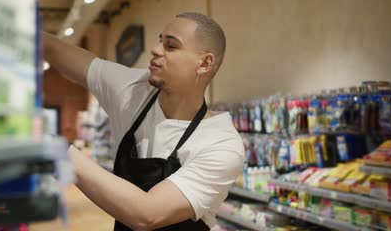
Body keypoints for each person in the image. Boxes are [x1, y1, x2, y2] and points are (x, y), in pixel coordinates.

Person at [43, 12, 244, 231]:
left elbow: (147, 214)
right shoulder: (134, 90)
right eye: (160, 40)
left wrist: (58, 149)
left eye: (171, 45)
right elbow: (55, 50)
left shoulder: (221, 144)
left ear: (204, 63)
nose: (155, 49)